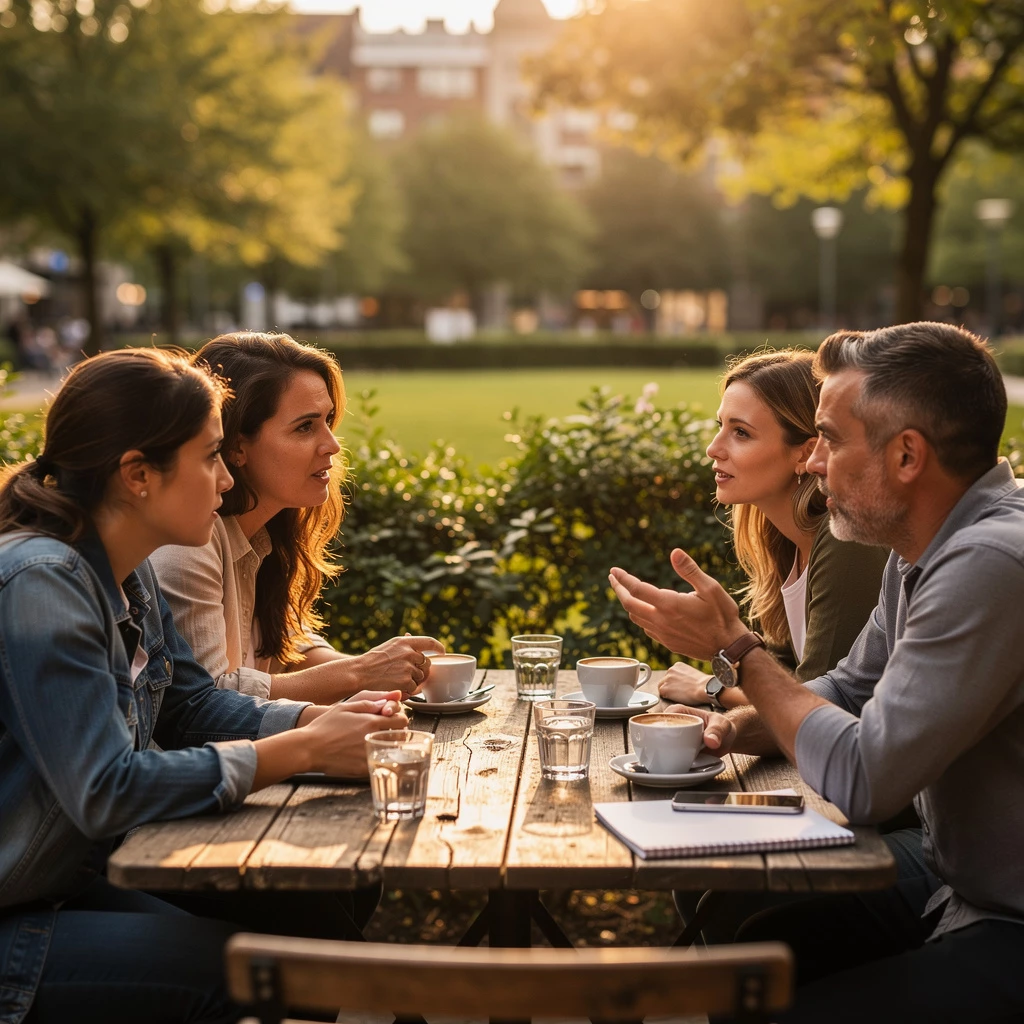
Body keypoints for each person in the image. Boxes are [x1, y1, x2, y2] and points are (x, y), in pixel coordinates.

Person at [609, 322, 1024, 1023]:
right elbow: (846, 688)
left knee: (770, 996)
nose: (813, 463)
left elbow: (866, 780)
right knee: (751, 936)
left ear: (906, 456)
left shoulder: (989, 563)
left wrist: (739, 651)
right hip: (959, 881)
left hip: (1007, 914)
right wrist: (737, 724)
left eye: (829, 438)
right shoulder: (921, 548)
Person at [0, 348, 408, 1024]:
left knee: (307, 930)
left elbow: (189, 705)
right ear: (137, 475)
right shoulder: (43, 582)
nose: (226, 482)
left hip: (56, 885)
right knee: (250, 971)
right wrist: (303, 750)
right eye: (211, 457)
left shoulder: (124, 572)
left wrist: (318, 725)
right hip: (20, 911)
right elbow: (107, 790)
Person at [150, 332, 443, 706]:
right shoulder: (189, 545)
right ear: (237, 446)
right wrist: (362, 673)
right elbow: (208, 704)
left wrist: (378, 677)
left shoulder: (265, 529)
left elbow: (289, 642)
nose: (332, 445)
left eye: (328, 420)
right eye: (305, 427)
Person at [658, 349, 887, 711]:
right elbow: (782, 671)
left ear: (805, 453)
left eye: (741, 433)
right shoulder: (784, 537)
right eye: (721, 426)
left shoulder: (846, 541)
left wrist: (711, 686)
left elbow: (815, 706)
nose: (713, 449)